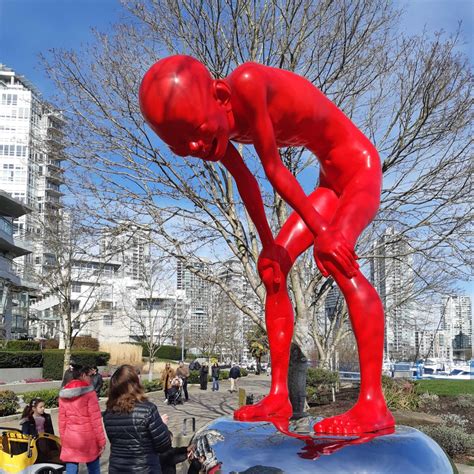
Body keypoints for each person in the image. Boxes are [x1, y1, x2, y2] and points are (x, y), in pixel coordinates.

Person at [139, 55, 395, 435]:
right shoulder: (215, 131)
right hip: (328, 184)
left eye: (198, 132)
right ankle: (278, 395)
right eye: (185, 148)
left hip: (359, 169)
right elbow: (247, 183)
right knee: (272, 271)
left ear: (221, 95)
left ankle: (374, 404)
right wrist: (268, 244)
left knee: (336, 255)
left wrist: (325, 232)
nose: (198, 147)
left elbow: (274, 170)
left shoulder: (246, 83)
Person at [103, 364, 171, 473]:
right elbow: (164, 445)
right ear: (135, 384)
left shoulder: (108, 413)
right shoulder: (148, 410)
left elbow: (116, 441)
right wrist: (162, 425)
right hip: (145, 468)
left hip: (117, 469)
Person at [59, 366, 106, 474]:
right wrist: (101, 441)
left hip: (70, 436)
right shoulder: (90, 394)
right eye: (90, 375)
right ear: (83, 375)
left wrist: (63, 438)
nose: (91, 378)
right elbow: (96, 420)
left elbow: (62, 420)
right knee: (93, 467)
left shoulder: (63, 395)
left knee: (71, 466)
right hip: (87, 437)